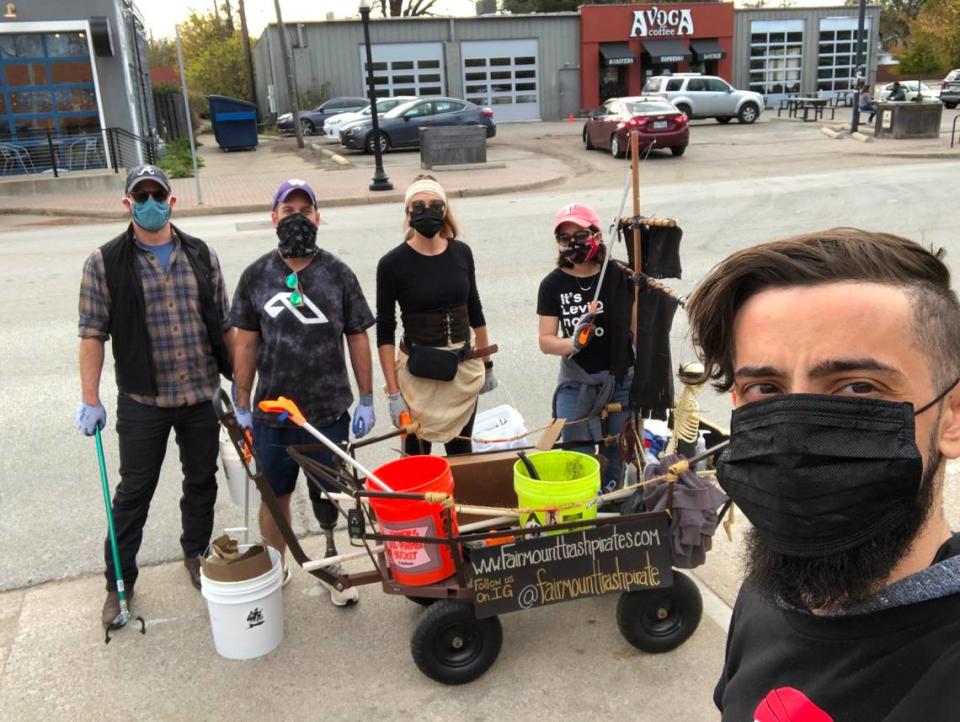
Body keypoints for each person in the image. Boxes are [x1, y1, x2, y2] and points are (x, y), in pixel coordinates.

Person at [685, 228, 960, 721]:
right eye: (765, 388)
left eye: (857, 387)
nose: (796, 436)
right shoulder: (765, 595)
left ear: (953, 416)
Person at [76, 164, 233, 626]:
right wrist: (90, 398)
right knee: (133, 494)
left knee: (201, 480)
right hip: (144, 401)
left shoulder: (201, 255)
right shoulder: (104, 262)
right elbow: (91, 335)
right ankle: (118, 583)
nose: (149, 202)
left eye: (156, 194)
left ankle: (196, 554)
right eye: (139, 196)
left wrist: (240, 381)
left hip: (202, 394)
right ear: (127, 204)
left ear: (171, 200)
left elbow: (223, 324)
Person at [230, 179, 374, 605]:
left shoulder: (337, 274)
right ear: (273, 218)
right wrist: (242, 404)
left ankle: (332, 561)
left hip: (326, 412)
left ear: (317, 216)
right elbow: (246, 342)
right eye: (287, 210)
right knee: (275, 497)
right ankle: (276, 566)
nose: (296, 217)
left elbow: (358, 336)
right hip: (272, 414)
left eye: (304, 210)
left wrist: (366, 397)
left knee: (330, 494)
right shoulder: (256, 276)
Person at [376, 175, 496, 456]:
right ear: (407, 212)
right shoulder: (392, 264)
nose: (426, 210)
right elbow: (384, 331)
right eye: (418, 205)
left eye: (434, 204)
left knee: (463, 463)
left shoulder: (462, 253)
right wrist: (394, 394)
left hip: (462, 373)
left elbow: (475, 309)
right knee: (417, 466)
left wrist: (487, 364)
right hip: (417, 380)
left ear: (445, 210)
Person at [536, 203, 635, 494]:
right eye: (564, 238)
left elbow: (637, 329)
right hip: (576, 379)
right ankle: (580, 500)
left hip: (619, 376)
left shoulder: (619, 276)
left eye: (579, 235)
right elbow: (545, 340)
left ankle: (612, 497)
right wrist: (573, 342)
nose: (572, 244)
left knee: (619, 446)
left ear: (596, 235)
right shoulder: (552, 285)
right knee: (574, 446)